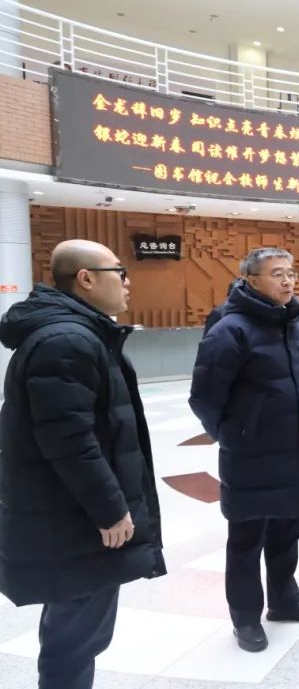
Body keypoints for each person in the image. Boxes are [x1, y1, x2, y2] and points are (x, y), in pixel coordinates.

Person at [0, 240, 166, 689]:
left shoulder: (77, 334)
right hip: (75, 518)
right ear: (86, 279)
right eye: (120, 272)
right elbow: (70, 441)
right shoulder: (67, 341)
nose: (128, 282)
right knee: (75, 637)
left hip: (71, 513)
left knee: (75, 630)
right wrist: (110, 509)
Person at [189, 248, 299, 654]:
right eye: (277, 273)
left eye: (291, 272)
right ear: (250, 280)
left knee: (287, 531)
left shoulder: (292, 323)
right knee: (246, 540)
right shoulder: (230, 328)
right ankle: (245, 617)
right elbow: (204, 396)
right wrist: (235, 433)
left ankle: (284, 600)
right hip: (249, 455)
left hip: (293, 448)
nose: (288, 281)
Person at [203, 277, 299, 542]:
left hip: (293, 414)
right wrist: (228, 428)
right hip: (252, 421)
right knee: (256, 483)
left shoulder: (292, 316)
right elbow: (209, 385)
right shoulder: (226, 319)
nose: (286, 283)